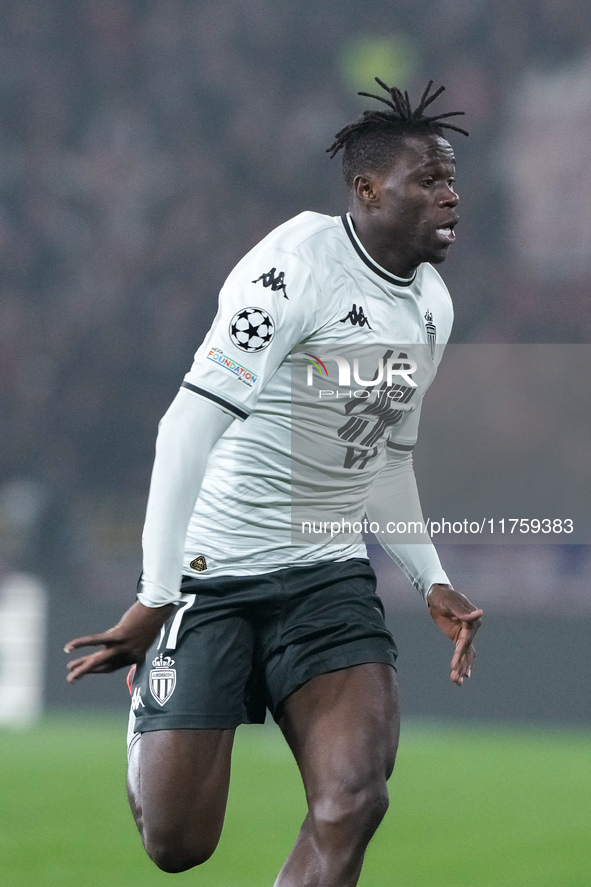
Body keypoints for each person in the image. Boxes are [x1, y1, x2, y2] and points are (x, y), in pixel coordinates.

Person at [65, 78, 483, 886]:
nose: (449, 196)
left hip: (326, 582)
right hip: (213, 579)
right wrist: (157, 594)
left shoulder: (430, 304)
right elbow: (185, 427)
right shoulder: (292, 269)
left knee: (354, 798)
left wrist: (430, 578)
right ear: (366, 190)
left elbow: (384, 456)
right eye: (428, 179)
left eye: (450, 179)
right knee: (176, 845)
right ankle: (160, 698)